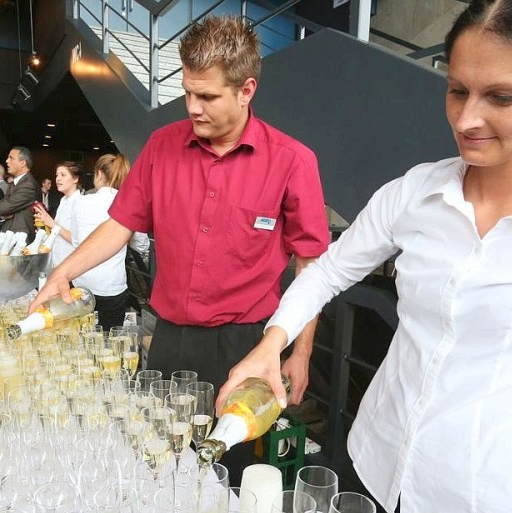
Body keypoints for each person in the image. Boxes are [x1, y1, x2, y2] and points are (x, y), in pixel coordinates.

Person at [220, 1, 512, 513]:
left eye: (503, 97)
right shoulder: (418, 191)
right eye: (457, 90)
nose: (467, 119)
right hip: (374, 460)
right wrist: (273, 340)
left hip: (487, 505)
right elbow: (330, 269)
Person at [31, 15, 330, 486]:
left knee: (231, 476)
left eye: (207, 96)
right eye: (187, 92)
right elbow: (119, 225)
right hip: (169, 339)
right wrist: (62, 272)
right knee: (161, 463)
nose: (191, 107)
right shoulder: (160, 147)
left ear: (246, 90)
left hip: (246, 344)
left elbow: (313, 266)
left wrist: (301, 354)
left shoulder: (292, 161)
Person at [35, 155, 135, 329]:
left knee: (82, 334)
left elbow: (76, 241)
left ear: (98, 174)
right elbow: (140, 244)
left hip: (83, 283)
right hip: (112, 284)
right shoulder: (128, 202)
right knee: (111, 340)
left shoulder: (81, 202)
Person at [0, 146, 38, 241]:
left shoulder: (28, 185)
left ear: (22, 163)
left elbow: (1, 208)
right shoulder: (14, 183)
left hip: (20, 238)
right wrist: (3, 214)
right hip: (11, 235)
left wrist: (3, 211)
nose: (7, 161)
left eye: (11, 158)